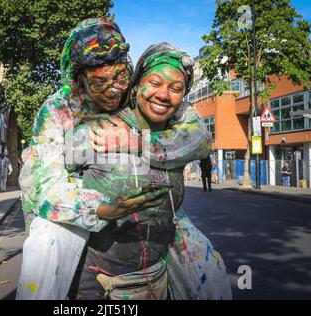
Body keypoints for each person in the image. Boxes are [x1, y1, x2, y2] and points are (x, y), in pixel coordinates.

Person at [18, 38, 230, 300]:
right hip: (97, 286)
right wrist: (99, 208)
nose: (163, 94)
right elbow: (43, 185)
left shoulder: (179, 134)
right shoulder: (97, 131)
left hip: (158, 279)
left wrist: (139, 143)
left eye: (176, 88)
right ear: (137, 85)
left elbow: (202, 140)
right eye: (154, 83)